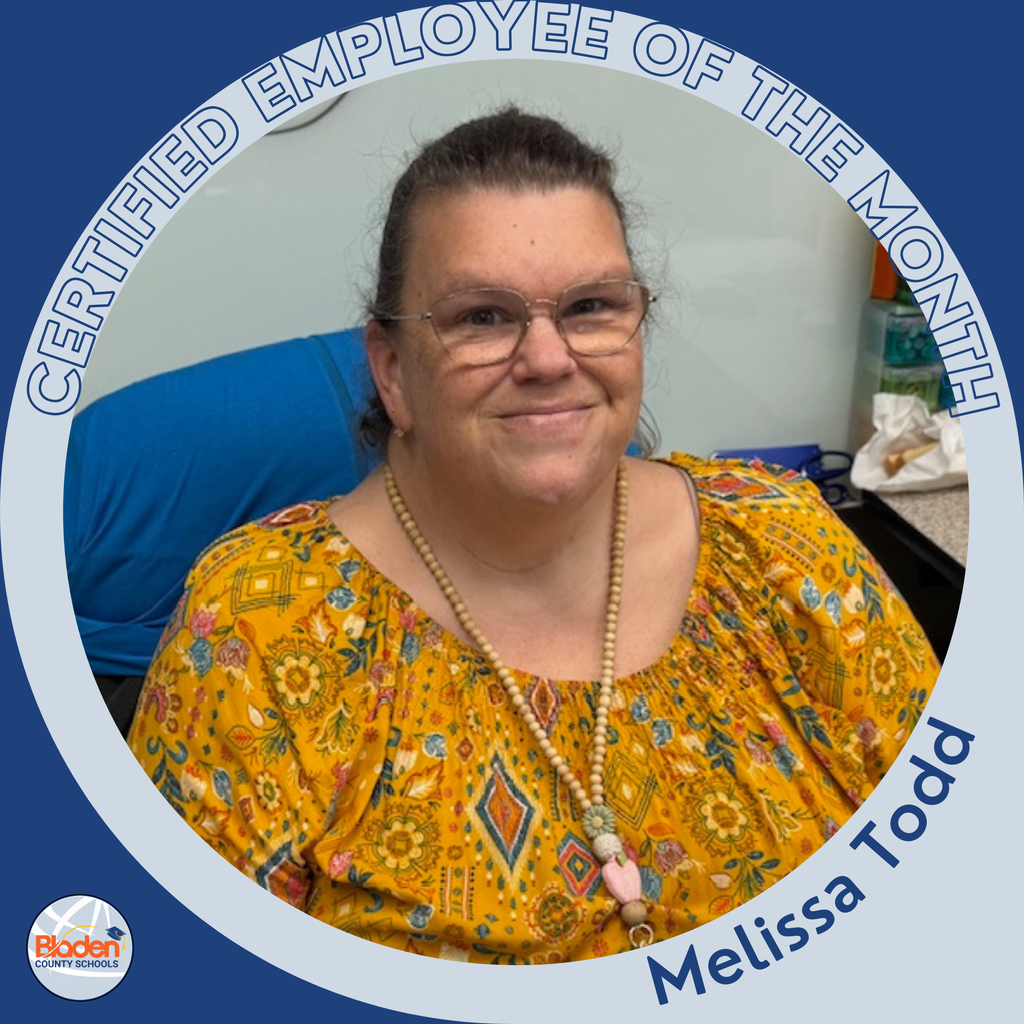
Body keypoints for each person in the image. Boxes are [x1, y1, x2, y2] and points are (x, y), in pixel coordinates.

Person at [128, 107, 939, 963]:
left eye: (591, 306)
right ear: (393, 370)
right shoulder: (257, 630)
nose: (549, 357)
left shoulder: (783, 539)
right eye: (482, 316)